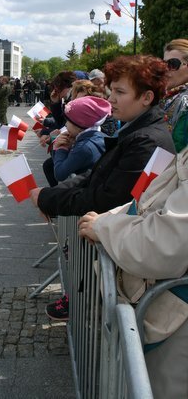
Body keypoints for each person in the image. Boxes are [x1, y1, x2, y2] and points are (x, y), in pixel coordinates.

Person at [78, 146, 188, 399]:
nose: (111, 103)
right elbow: (150, 203)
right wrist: (111, 219)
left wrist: (105, 227)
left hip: (176, 315)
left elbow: (165, 244)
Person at [30, 55, 175, 220]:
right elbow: (97, 174)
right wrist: (49, 195)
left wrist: (49, 199)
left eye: (119, 92)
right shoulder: (139, 131)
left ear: (146, 98)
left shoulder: (146, 140)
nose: (111, 98)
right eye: (111, 90)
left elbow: (108, 198)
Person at [51, 96, 111, 182]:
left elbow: (60, 174)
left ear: (79, 125)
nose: (66, 125)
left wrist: (61, 147)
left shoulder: (83, 147)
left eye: (68, 121)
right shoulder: (98, 136)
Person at [161, 38, 188, 152]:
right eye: (163, 64)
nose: (166, 70)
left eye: (172, 64)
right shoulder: (167, 97)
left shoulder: (185, 103)